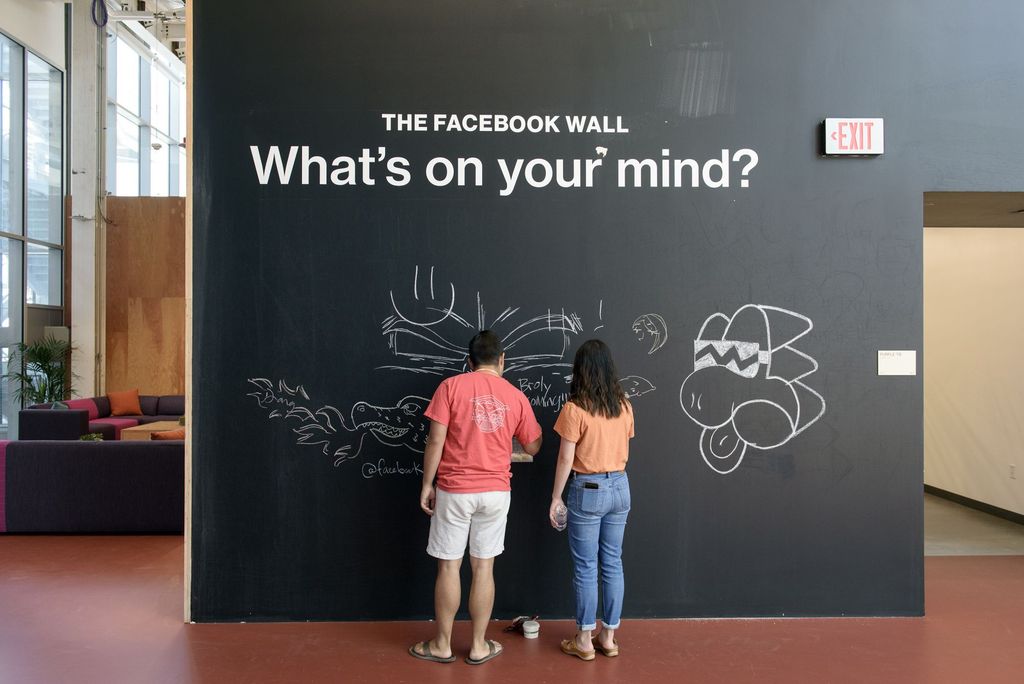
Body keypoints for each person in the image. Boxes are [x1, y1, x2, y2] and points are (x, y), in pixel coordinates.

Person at [409, 330, 543, 665]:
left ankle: (442, 645)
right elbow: (533, 445)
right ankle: (480, 646)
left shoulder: (451, 387)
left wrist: (428, 484)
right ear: (502, 360)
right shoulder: (515, 395)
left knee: (449, 566)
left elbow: (435, 441)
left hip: (455, 490)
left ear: (469, 362)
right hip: (496, 492)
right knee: (484, 568)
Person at [549, 339, 634, 661]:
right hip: (621, 486)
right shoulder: (624, 405)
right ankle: (608, 637)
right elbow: (624, 444)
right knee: (613, 562)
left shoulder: (575, 409)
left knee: (586, 567)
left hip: (589, 489)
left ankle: (584, 640)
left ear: (580, 371)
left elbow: (564, 460)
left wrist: (556, 498)